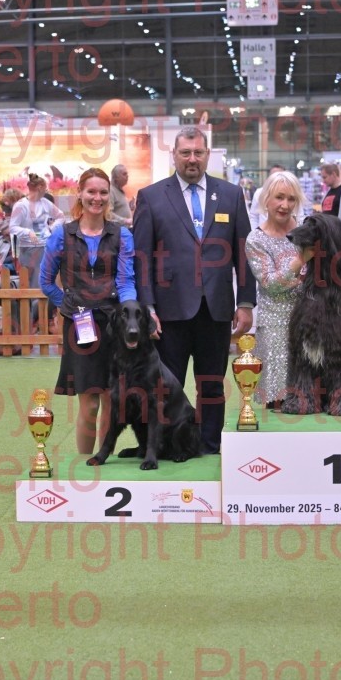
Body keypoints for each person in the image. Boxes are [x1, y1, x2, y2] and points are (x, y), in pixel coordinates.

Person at [133, 126, 256, 454]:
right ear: (174, 155)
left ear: (207, 155)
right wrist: (147, 308)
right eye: (185, 152)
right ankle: (166, 446)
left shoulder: (230, 195)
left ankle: (210, 445)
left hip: (216, 309)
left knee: (212, 385)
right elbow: (142, 258)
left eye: (198, 152)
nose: (192, 159)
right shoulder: (151, 197)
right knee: (167, 386)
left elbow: (243, 253)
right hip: (167, 311)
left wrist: (245, 302)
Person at [40, 167, 137, 454]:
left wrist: (129, 313)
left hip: (114, 325)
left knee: (111, 400)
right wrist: (68, 304)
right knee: (90, 402)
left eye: (103, 192)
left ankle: (102, 461)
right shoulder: (61, 235)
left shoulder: (122, 235)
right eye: (91, 191)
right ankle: (86, 466)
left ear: (109, 196)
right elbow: (46, 282)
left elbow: (126, 282)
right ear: (80, 194)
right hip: (79, 325)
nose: (97, 198)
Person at [245, 171, 310, 410]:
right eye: (279, 197)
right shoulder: (255, 240)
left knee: (313, 397)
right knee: (279, 403)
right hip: (275, 328)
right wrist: (300, 260)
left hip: (310, 323)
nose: (285, 205)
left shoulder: (307, 230)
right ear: (266, 199)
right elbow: (270, 284)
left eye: (291, 199)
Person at [9, 173, 65, 286]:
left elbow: (61, 216)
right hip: (27, 248)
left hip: (45, 246)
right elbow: (12, 227)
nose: (46, 191)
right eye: (45, 188)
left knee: (45, 280)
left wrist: (52, 228)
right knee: (31, 282)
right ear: (40, 188)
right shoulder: (21, 205)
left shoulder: (46, 203)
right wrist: (28, 232)